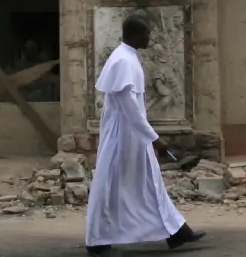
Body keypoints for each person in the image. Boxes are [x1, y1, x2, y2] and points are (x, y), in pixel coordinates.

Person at [85, 14, 206, 255]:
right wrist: (155, 139)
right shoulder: (123, 61)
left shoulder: (127, 58)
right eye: (147, 33)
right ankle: (97, 239)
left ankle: (176, 231)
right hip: (123, 137)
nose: (150, 38)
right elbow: (129, 109)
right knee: (110, 185)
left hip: (132, 136)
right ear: (136, 35)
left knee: (149, 182)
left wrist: (148, 137)